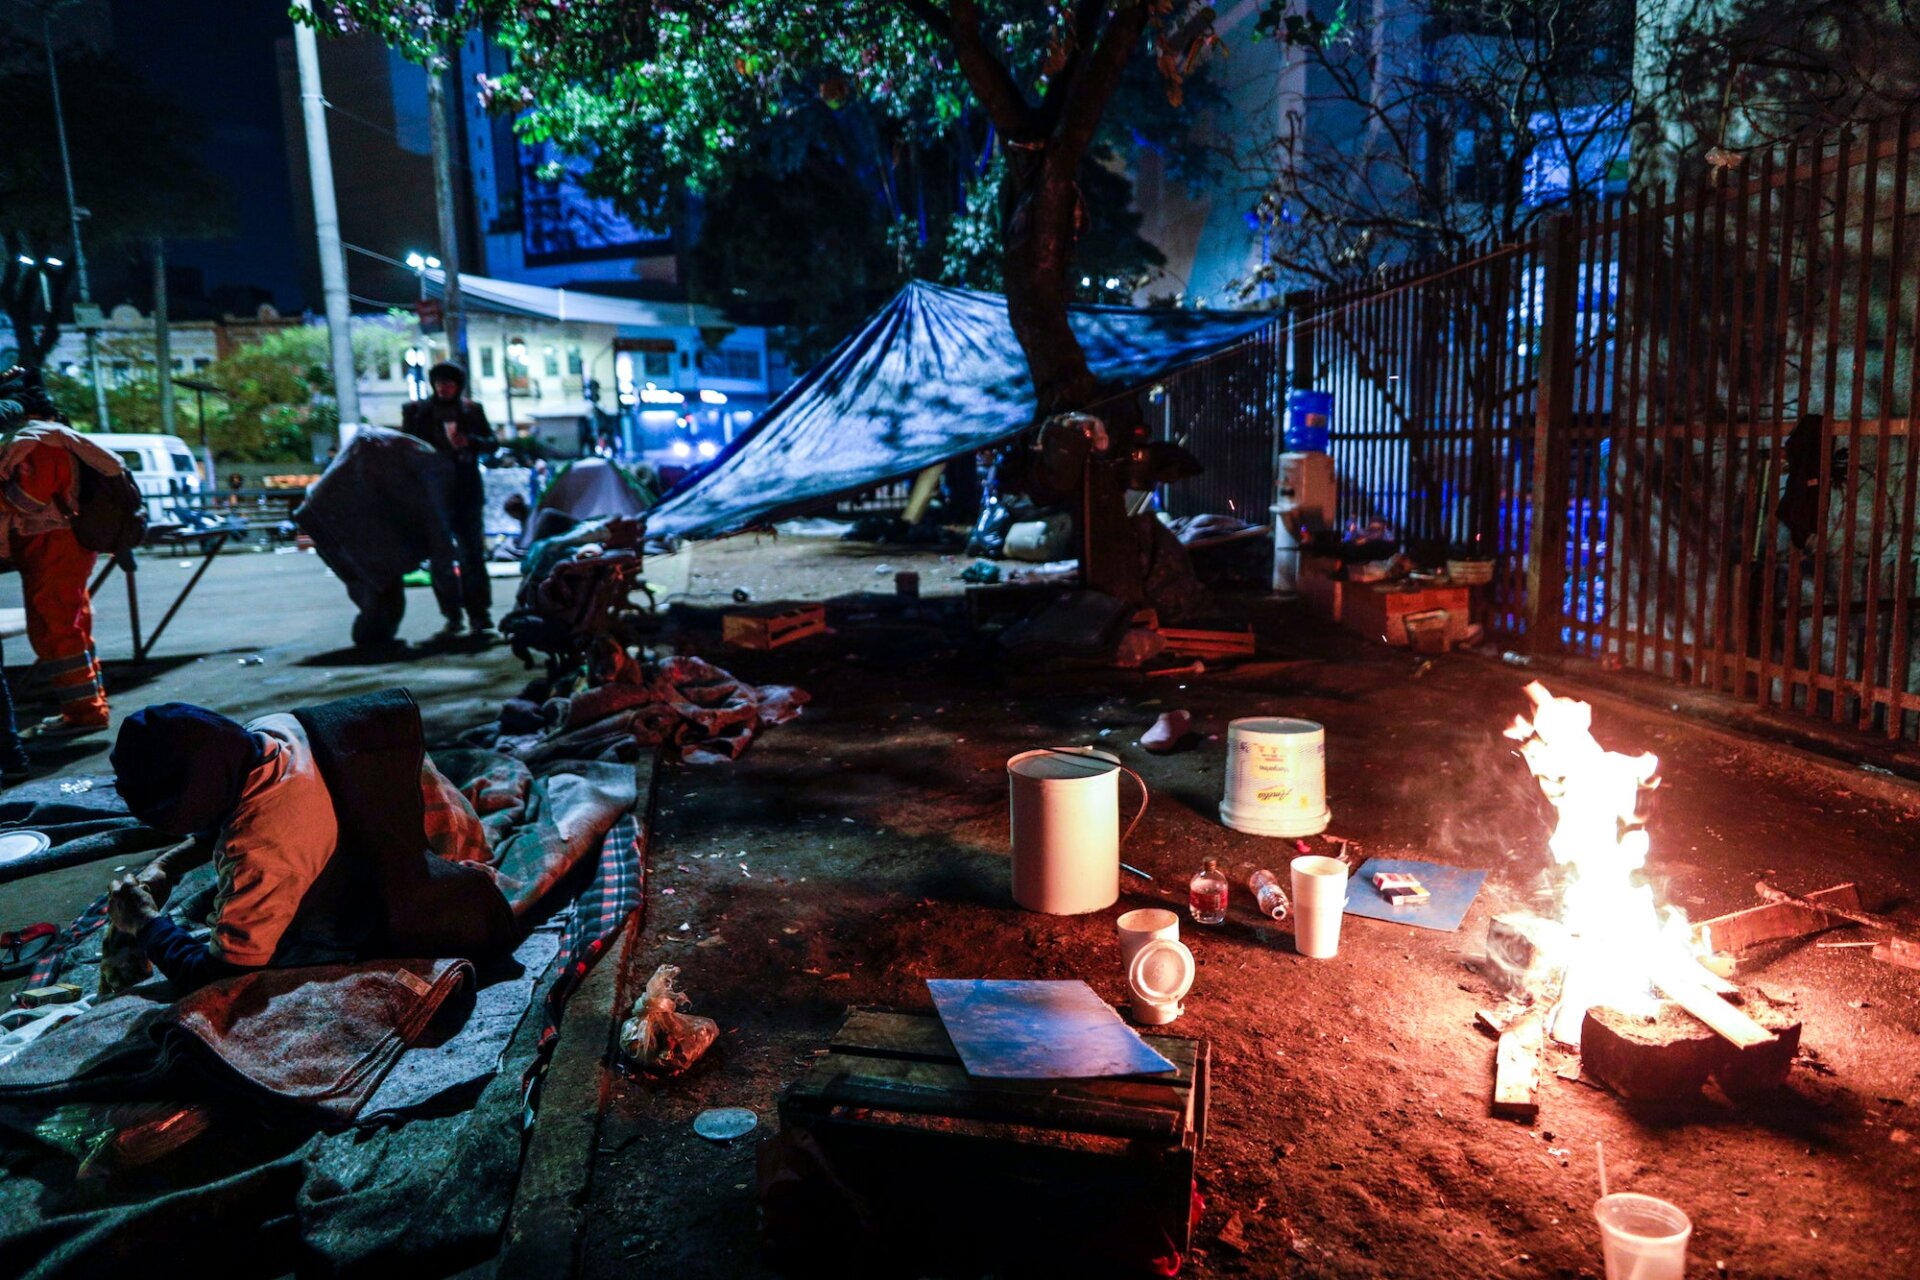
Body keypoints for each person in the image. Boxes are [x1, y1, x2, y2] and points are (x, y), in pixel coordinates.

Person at [103, 691, 516, 992]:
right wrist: (168, 866)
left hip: (438, 872)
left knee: (285, 952)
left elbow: (221, 974)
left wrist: (145, 922)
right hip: (443, 817)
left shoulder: (262, 848)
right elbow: (221, 809)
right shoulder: (272, 728)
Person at [0, 365, 116, 737]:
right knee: (72, 626)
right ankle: (87, 707)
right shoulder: (56, 435)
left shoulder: (39, 441)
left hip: (51, 543)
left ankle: (84, 713)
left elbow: (28, 500)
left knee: (58, 630)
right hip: (62, 543)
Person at [401, 362, 497, 639]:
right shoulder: (417, 411)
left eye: (449, 383)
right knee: (440, 558)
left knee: (472, 555)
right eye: (440, 383)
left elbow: (492, 443)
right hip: (433, 493)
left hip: (466, 491)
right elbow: (406, 447)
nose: (444, 388)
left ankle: (479, 614)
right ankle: (452, 616)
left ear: (458, 386)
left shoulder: (471, 410)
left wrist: (471, 441)